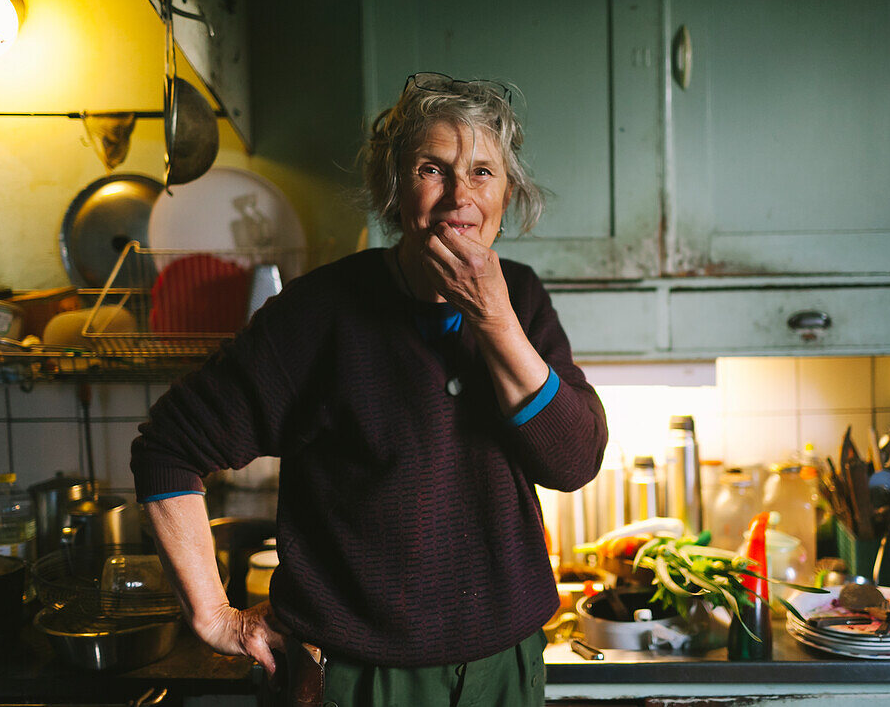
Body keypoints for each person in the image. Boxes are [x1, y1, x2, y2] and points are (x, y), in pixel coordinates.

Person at [130, 72, 609, 706]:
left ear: (508, 192)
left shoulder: (517, 296)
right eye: (431, 169)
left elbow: (573, 462)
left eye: (483, 172)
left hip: (505, 667)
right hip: (358, 677)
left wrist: (493, 319)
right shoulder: (319, 313)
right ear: (393, 188)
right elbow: (168, 446)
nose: (459, 197)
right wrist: (214, 615)